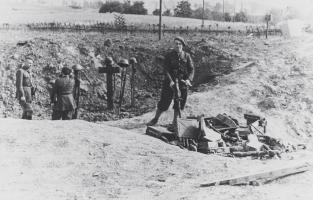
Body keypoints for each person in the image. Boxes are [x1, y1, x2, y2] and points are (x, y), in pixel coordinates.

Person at [147, 36, 194, 129]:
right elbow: (166, 70)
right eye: (176, 44)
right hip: (170, 82)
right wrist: (171, 81)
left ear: (183, 45)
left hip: (182, 82)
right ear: (173, 45)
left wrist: (188, 79)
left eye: (179, 44)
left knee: (179, 103)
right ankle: (155, 119)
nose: (177, 46)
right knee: (164, 102)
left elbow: (191, 69)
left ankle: (175, 122)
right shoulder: (169, 56)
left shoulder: (187, 56)